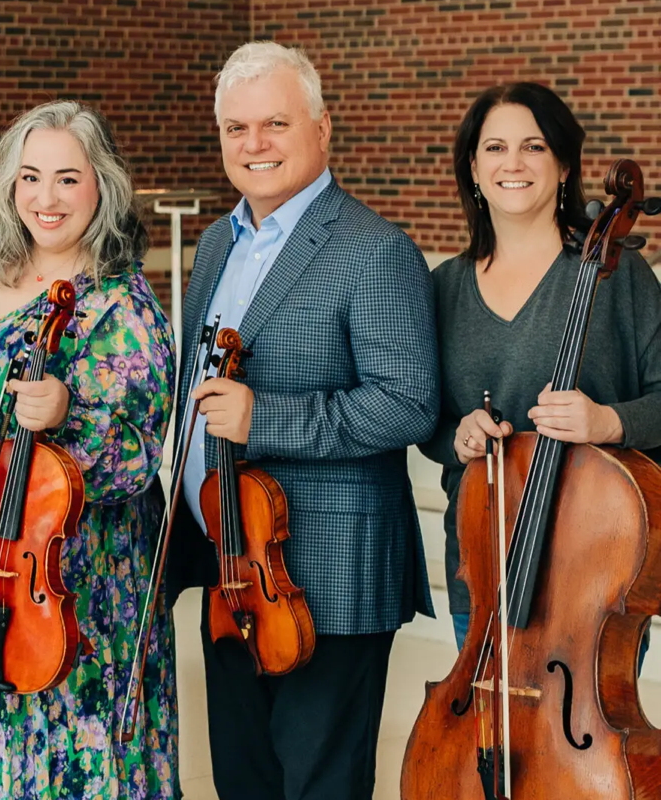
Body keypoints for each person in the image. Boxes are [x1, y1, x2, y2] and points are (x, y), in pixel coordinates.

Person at [165, 41, 440, 800]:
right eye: (236, 128)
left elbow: (409, 402)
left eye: (275, 124)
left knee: (318, 784)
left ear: (323, 130)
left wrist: (264, 418)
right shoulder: (219, 240)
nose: (254, 145)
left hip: (329, 574)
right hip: (232, 570)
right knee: (243, 780)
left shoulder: (374, 250)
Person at [0, 100, 177, 799]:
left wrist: (69, 413)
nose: (45, 199)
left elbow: (138, 458)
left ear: (101, 186)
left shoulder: (122, 304)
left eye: (66, 179)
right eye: (29, 178)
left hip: (60, 591)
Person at [417, 81, 661, 652]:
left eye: (534, 146)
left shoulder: (618, 275)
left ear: (565, 167)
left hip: (599, 569)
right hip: (484, 566)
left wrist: (609, 422)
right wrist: (459, 434)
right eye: (495, 148)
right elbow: (422, 416)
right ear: (473, 169)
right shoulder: (443, 287)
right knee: (483, 738)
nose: (514, 163)